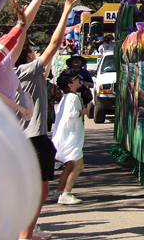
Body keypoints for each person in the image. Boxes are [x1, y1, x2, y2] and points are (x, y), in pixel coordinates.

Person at [14, 0, 79, 240]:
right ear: (28, 55)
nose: (34, 51)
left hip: (20, 139)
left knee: (28, 191)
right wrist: (65, 12)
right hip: (33, 140)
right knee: (37, 192)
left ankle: (25, 231)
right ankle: (25, 235)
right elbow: (54, 43)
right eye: (31, 49)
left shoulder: (10, 72)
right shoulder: (28, 70)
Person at [51, 72, 88, 205]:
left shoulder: (66, 97)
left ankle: (58, 192)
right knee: (79, 166)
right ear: (70, 84)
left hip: (66, 137)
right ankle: (66, 193)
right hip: (71, 138)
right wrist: (83, 112)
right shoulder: (72, 98)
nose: (79, 80)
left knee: (69, 166)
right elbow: (72, 116)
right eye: (75, 79)